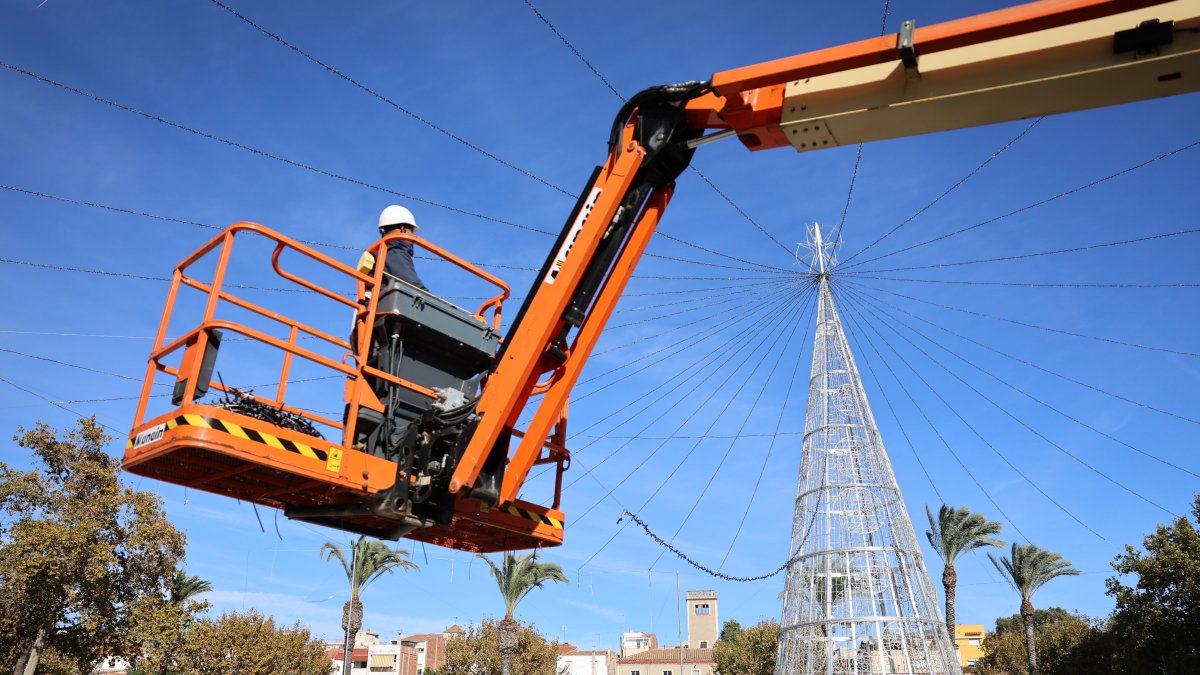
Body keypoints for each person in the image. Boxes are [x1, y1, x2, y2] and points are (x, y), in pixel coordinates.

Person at [357, 204, 427, 291]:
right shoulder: (394, 250)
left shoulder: (379, 251)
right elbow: (412, 284)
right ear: (403, 229)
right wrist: (436, 301)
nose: (413, 237)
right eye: (411, 232)